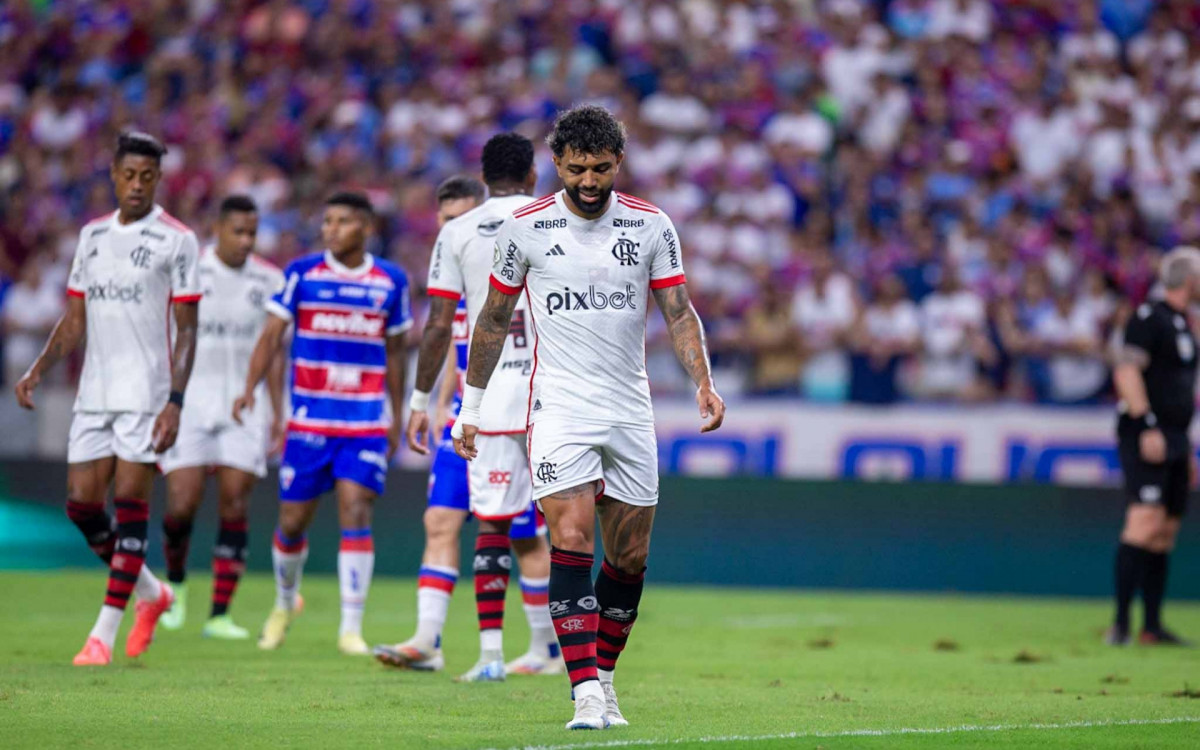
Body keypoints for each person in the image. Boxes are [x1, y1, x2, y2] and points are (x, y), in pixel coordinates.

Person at [453, 105, 726, 730]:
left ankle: (605, 677)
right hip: (560, 408)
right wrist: (471, 409)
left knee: (629, 557)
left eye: (601, 169)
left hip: (630, 408)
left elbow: (679, 312)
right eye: (577, 169)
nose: (590, 182)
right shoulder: (524, 229)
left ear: (618, 163)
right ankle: (585, 695)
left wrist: (703, 384)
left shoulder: (651, 226)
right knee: (569, 537)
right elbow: (492, 320)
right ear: (557, 164)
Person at [14, 131, 200, 665]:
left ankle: (102, 635)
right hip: (93, 393)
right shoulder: (91, 236)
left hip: (145, 394)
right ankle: (151, 591)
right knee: (80, 505)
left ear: (158, 180)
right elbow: (75, 320)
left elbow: (189, 329)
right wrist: (39, 369)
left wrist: (175, 401)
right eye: (129, 174)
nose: (137, 184)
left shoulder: (176, 239)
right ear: (114, 176)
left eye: (147, 176)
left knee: (130, 506)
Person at [374, 166, 559, 679]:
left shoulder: (509, 269)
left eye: (459, 216)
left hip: (507, 413)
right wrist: (437, 403)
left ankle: (543, 648)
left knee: (524, 538)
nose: (451, 226)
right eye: (444, 219)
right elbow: (457, 348)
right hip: (463, 419)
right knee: (439, 521)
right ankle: (427, 641)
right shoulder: (455, 271)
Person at [233, 192, 412, 655]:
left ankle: (350, 628)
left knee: (356, 510)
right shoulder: (302, 274)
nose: (330, 228)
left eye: (342, 221)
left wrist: (398, 411)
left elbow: (394, 353)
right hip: (310, 420)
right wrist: (248, 387)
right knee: (292, 522)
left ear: (366, 228)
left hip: (365, 420)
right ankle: (284, 603)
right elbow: (271, 335)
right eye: (327, 220)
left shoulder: (390, 281)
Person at [157, 195, 286, 638]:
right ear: (218, 228)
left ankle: (219, 615)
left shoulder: (270, 279)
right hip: (191, 402)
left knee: (234, 503)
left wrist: (277, 413)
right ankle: (174, 591)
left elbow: (273, 353)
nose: (247, 241)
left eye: (253, 232)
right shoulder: (192, 272)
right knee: (181, 505)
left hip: (245, 406)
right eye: (239, 231)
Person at [1107, 246, 1200, 647]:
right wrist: (1146, 424)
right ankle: (1122, 625)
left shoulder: (1183, 323)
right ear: (1189, 279)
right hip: (1148, 433)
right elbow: (1126, 370)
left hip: (1177, 438)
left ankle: (1152, 626)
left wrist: (1185, 446)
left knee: (1164, 531)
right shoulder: (1149, 318)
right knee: (1143, 521)